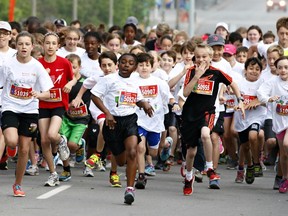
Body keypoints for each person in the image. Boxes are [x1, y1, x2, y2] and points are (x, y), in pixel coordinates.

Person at [90, 53, 153, 204]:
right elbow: (94, 96)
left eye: (130, 63)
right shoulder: (109, 80)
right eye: (123, 62)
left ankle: (130, 189)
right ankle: (118, 161)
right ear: (118, 64)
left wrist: (144, 104)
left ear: (135, 67)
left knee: (132, 151)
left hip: (130, 120)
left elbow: (136, 98)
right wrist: (107, 113)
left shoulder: (134, 81)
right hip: (112, 123)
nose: (126, 65)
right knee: (120, 161)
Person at [181, 43, 244, 195]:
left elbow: (233, 83)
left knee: (205, 134)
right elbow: (185, 93)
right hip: (190, 114)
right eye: (198, 57)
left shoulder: (216, 72)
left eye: (204, 57)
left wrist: (240, 99)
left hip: (207, 112)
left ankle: (209, 167)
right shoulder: (191, 71)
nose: (201, 60)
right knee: (191, 152)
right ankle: (189, 178)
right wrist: (197, 76)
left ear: (210, 58)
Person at [0, 31, 53, 196]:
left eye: (27, 44)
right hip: (10, 106)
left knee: (24, 149)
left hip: (29, 110)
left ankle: (17, 184)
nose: (23, 47)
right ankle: (10, 148)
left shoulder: (37, 66)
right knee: (11, 140)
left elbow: (48, 92)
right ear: (16, 46)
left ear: (32, 47)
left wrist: (39, 94)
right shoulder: (7, 65)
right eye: (20, 44)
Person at [38, 32, 76, 187]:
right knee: (44, 140)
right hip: (42, 104)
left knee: (52, 134)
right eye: (47, 43)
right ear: (43, 45)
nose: (50, 46)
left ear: (58, 46)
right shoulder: (38, 63)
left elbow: (74, 78)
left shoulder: (64, 63)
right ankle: (53, 174)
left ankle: (61, 140)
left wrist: (69, 84)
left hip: (59, 104)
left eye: (54, 43)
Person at [134, 53, 170, 189]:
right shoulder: (133, 81)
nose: (144, 68)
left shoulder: (159, 82)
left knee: (153, 152)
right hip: (138, 121)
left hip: (155, 121)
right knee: (140, 147)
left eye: (147, 65)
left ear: (152, 66)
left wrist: (174, 104)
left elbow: (167, 99)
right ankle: (141, 175)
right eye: (141, 65)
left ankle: (166, 144)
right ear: (137, 67)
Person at [57, 54, 91, 181]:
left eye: (74, 67)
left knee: (71, 145)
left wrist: (80, 103)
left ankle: (79, 145)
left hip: (81, 119)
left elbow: (89, 100)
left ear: (80, 67)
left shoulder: (85, 82)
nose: (71, 69)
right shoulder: (63, 81)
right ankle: (65, 170)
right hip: (66, 117)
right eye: (68, 67)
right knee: (62, 142)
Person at [257, 56, 288, 193]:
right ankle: (284, 178)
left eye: (286, 67)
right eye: (280, 67)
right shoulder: (272, 82)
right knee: (283, 154)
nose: (283, 70)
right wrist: (268, 98)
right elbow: (260, 92)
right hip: (280, 121)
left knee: (287, 145)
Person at [233, 57, 266, 184]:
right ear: (245, 70)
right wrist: (237, 105)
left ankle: (257, 162)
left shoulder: (263, 83)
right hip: (242, 118)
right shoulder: (239, 83)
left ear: (261, 71)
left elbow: (265, 98)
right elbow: (235, 97)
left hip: (257, 117)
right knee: (245, 146)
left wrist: (257, 101)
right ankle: (250, 166)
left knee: (253, 136)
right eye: (251, 68)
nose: (254, 71)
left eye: (257, 69)